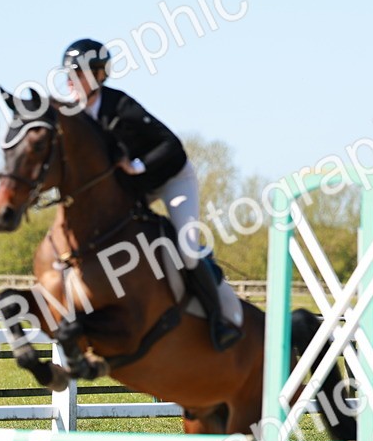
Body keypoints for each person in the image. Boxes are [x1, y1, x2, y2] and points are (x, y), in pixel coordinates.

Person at [61, 38, 242, 351]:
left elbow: (172, 147)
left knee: (185, 247)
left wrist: (136, 164)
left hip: (171, 177)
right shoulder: (74, 116)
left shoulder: (121, 106)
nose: (71, 80)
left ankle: (220, 318)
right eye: (69, 73)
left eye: (79, 73)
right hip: (135, 190)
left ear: (99, 76)